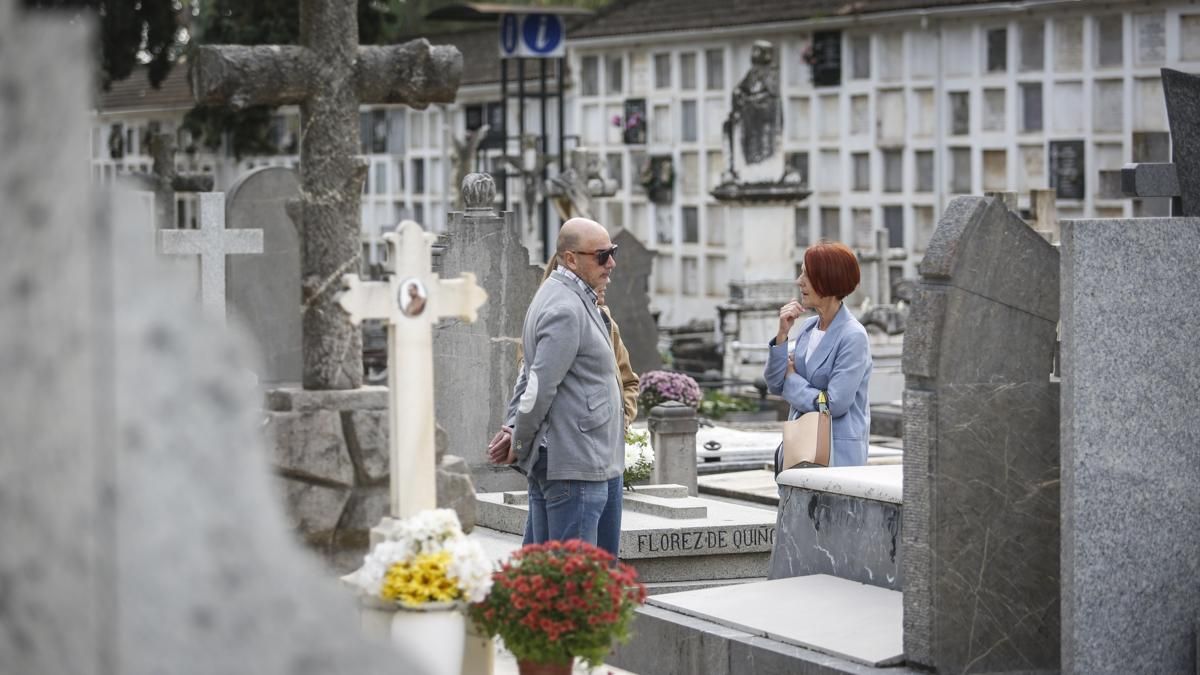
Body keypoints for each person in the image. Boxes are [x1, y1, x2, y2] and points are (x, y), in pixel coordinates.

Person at [484, 218, 626, 556]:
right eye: (602, 255)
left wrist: (515, 426)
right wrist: (519, 439)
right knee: (572, 584)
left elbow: (529, 375)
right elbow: (538, 385)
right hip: (576, 463)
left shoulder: (565, 295)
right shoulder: (564, 306)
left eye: (612, 253)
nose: (611, 264)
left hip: (590, 458)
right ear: (571, 258)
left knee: (553, 578)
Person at [765, 241, 872, 470]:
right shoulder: (807, 327)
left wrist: (792, 379)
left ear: (828, 279)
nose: (799, 281)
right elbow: (775, 383)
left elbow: (833, 403)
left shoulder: (853, 336)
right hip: (799, 451)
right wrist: (782, 334)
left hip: (836, 457)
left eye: (807, 274)